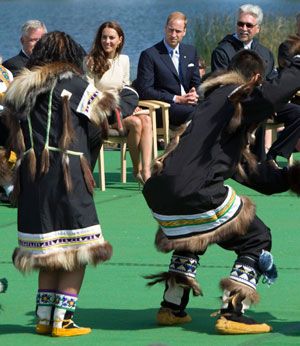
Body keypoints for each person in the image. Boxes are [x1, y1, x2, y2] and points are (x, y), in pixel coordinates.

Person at [142, 47, 300, 335]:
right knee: (256, 236)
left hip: (160, 194)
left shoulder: (209, 106)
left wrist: (288, 178)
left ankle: (172, 305)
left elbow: (246, 170)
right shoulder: (235, 96)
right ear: (254, 78)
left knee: (194, 235)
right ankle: (234, 312)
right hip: (191, 190)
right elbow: (271, 96)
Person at [2, 31, 118, 337]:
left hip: (31, 176)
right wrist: (126, 97)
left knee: (49, 250)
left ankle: (44, 317)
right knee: (77, 248)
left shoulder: (19, 88)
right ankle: (63, 320)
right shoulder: (72, 83)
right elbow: (104, 114)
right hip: (67, 173)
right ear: (71, 55)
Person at [211, 4, 300, 163]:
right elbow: (222, 86)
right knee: (261, 112)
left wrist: (273, 100)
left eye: (249, 25)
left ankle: (275, 154)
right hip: (237, 104)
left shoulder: (265, 52)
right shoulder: (222, 51)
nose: (244, 28)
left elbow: (272, 79)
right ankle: (256, 160)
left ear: (257, 28)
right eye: (240, 24)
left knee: (297, 113)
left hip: (265, 100)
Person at [85, 21, 152, 183]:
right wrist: (112, 105)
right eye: (104, 37)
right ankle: (137, 170)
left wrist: (132, 106)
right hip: (102, 113)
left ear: (120, 40)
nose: (107, 41)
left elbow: (126, 88)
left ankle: (146, 171)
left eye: (111, 38)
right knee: (136, 123)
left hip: (122, 109)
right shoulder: (90, 61)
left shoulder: (124, 60)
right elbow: (89, 93)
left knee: (146, 120)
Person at [134, 11, 201, 128]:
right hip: (164, 107)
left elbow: (196, 83)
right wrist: (177, 99)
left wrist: (195, 94)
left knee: (215, 109)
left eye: (178, 31)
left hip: (189, 104)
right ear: (165, 28)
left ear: (184, 32)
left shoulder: (191, 51)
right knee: (198, 114)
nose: (174, 35)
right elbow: (145, 90)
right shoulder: (150, 55)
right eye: (171, 30)